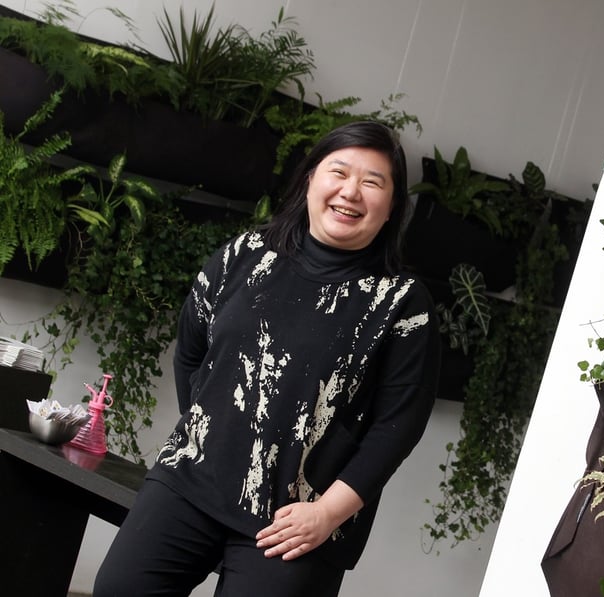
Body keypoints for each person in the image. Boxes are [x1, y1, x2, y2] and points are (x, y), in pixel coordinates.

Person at [94, 121, 440, 596]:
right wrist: (212, 438)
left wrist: (326, 513)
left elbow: (396, 427)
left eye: (373, 182)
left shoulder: (402, 303)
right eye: (339, 171)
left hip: (299, 517)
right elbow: (191, 350)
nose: (350, 192)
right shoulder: (245, 254)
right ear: (310, 180)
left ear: (392, 207)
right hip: (193, 479)